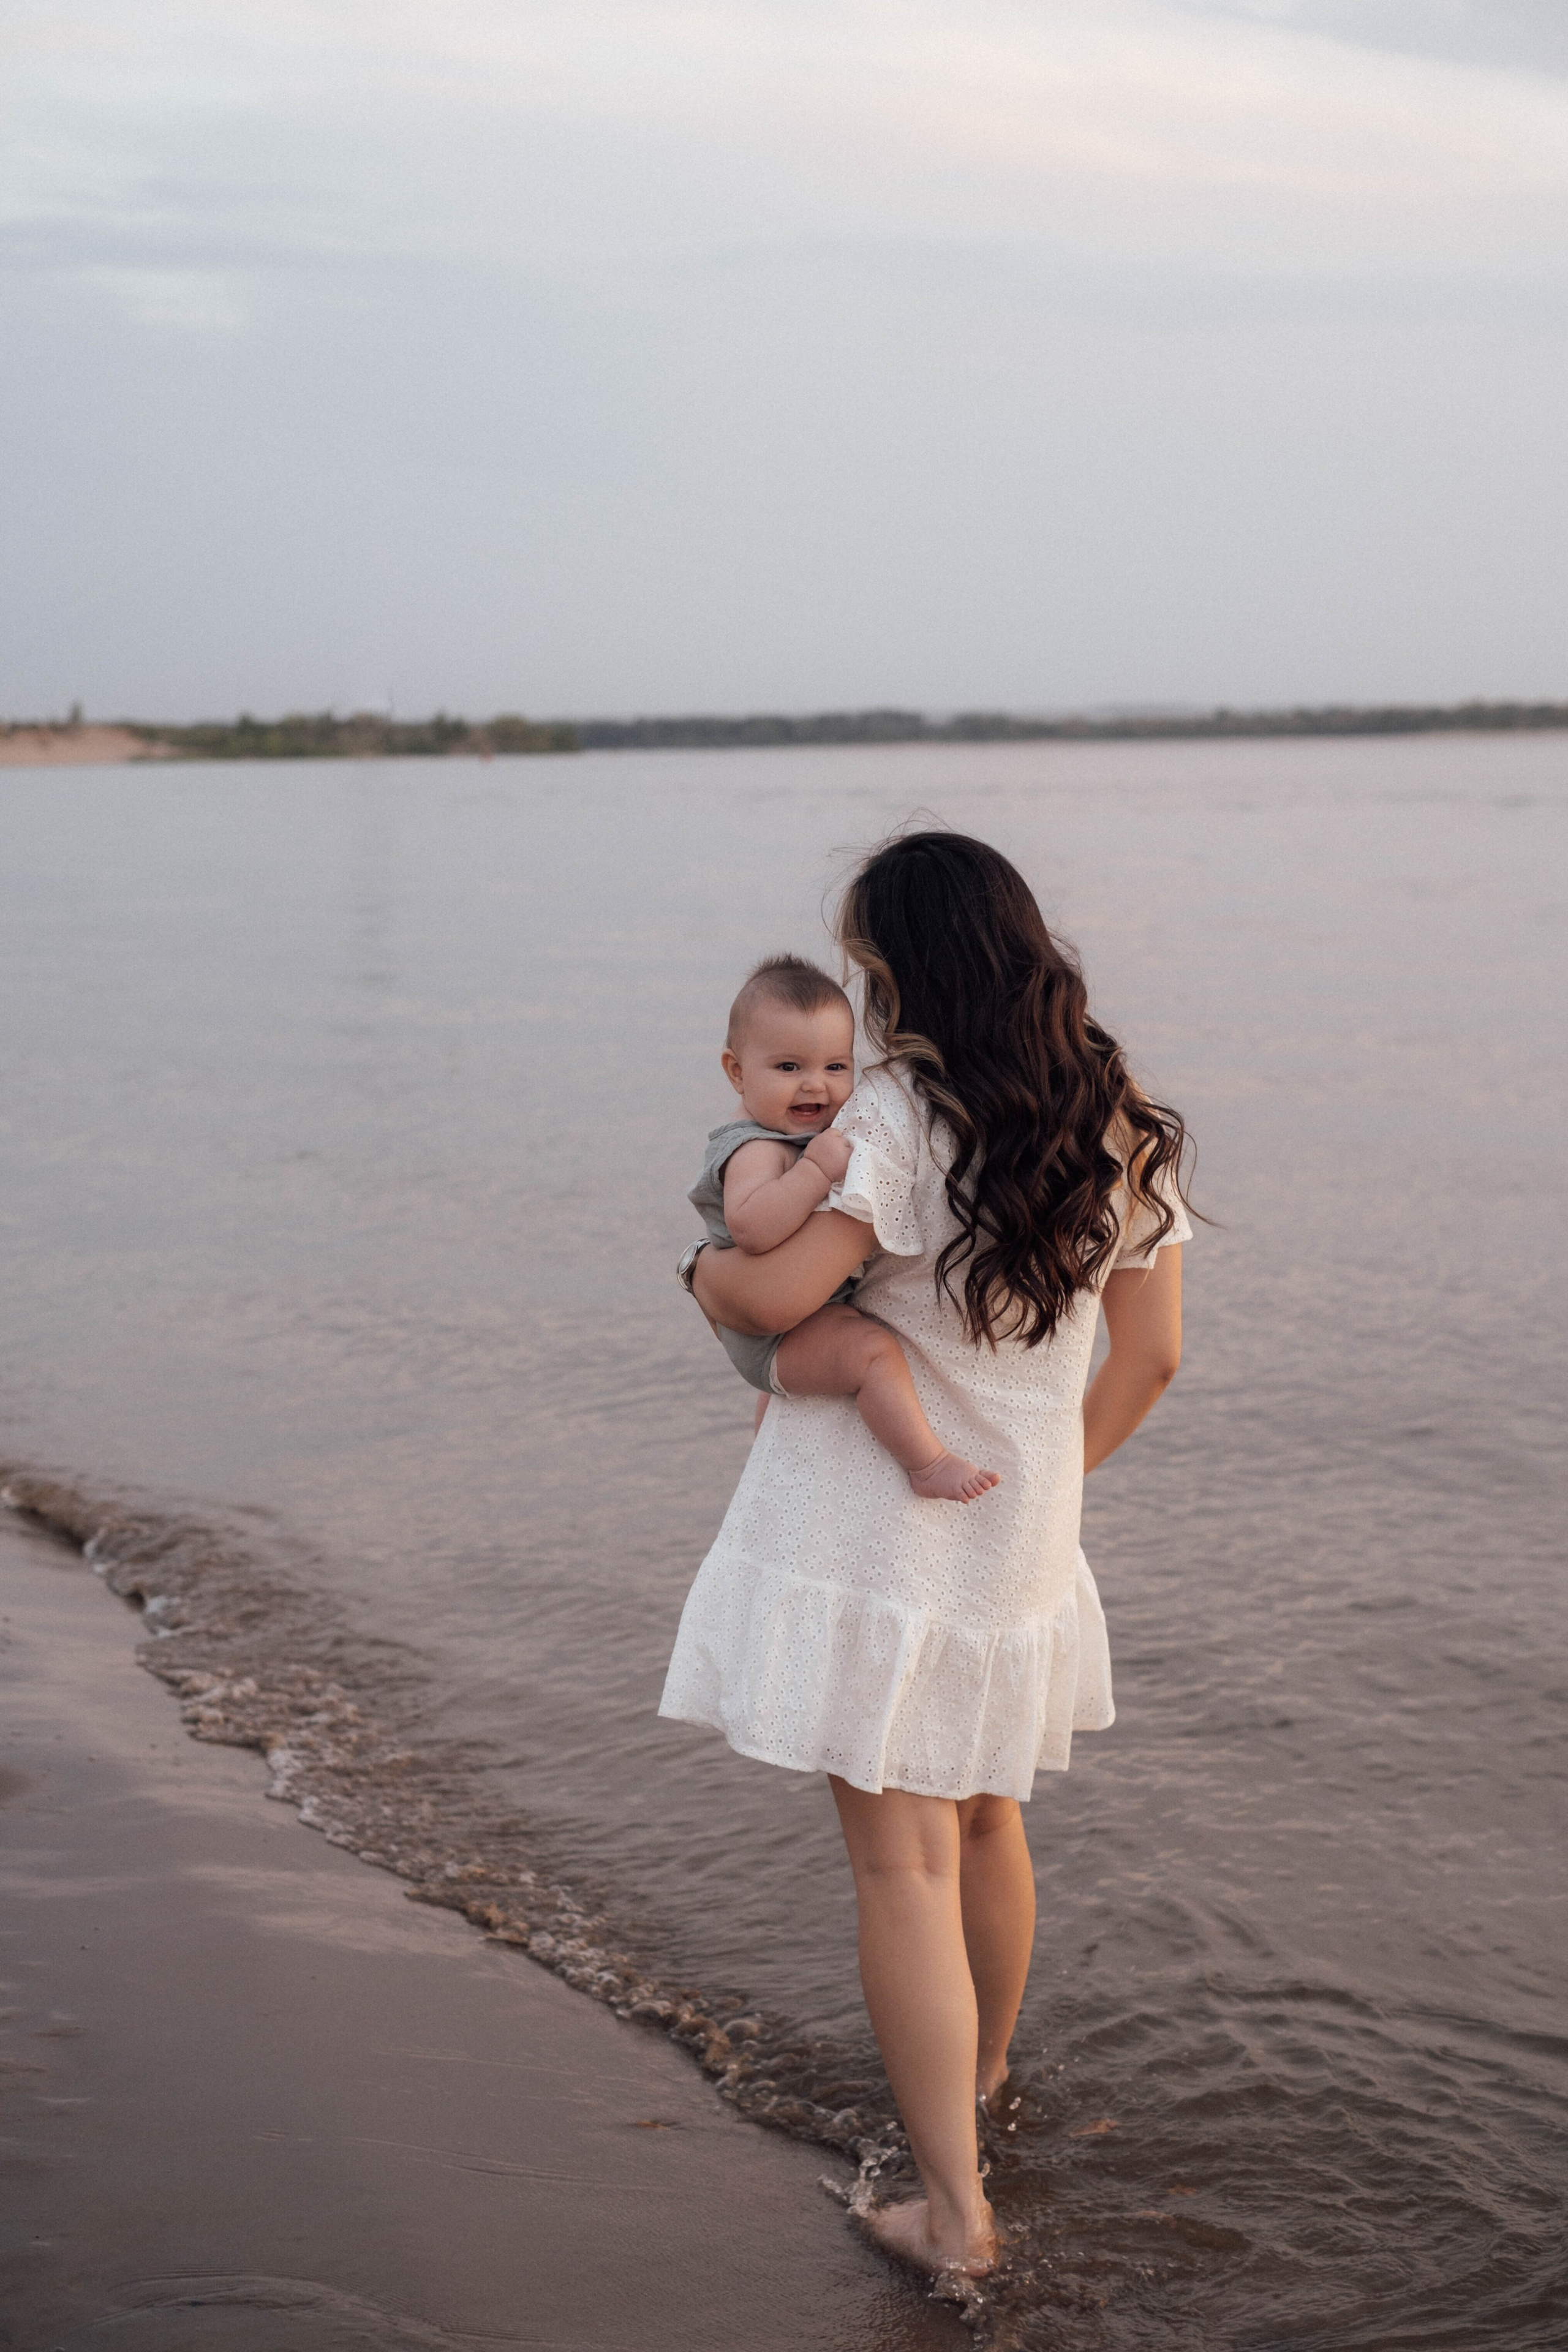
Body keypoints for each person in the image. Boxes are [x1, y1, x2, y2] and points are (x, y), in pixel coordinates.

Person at [660, 831, 1192, 2280]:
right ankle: (976, 2085)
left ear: (904, 963)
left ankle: (953, 2214)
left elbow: (766, 1286)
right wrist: (1040, 1493)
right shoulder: (1117, 1112)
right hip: (1015, 1539)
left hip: (871, 1536)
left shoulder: (895, 1115)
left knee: (897, 1864)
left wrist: (700, 1264)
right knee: (982, 1824)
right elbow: (1151, 1356)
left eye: (868, 959)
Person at [684, 951, 998, 1502]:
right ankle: (926, 1464)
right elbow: (753, 1227)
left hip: (793, 1314)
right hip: (773, 1334)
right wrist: (814, 1170)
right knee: (872, 1353)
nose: (815, 1087)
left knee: (798, 1405)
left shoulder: (795, 1131)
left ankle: (772, 1461)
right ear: (736, 1071)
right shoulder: (754, 1147)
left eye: (835, 1067)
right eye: (788, 1068)